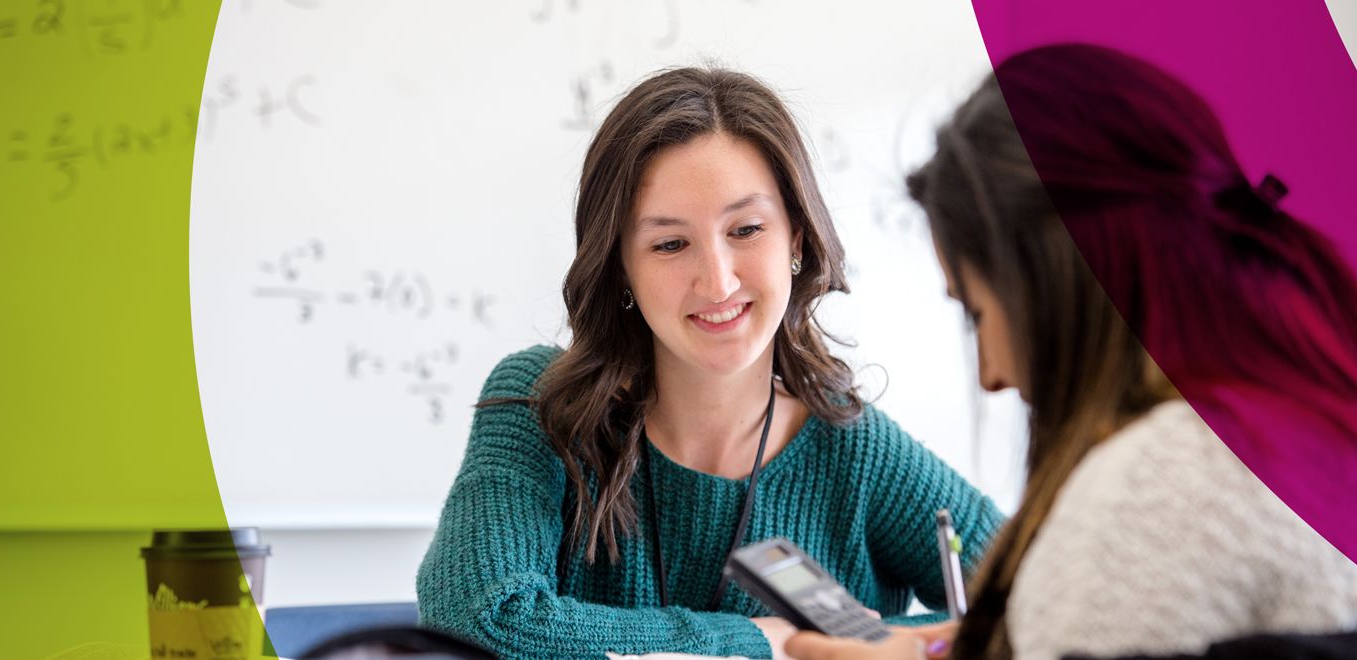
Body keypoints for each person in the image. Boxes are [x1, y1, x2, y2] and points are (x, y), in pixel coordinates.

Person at [784, 43, 1357, 660]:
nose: (991, 376)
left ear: (1049, 285)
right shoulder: (1301, 417)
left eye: (978, 313)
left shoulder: (1158, 486)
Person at [415, 67, 1006, 659]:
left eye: (746, 229)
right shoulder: (538, 407)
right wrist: (751, 642)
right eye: (670, 244)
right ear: (622, 266)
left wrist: (857, 645)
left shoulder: (854, 451)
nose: (718, 281)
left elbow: (1037, 603)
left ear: (796, 239)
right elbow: (476, 623)